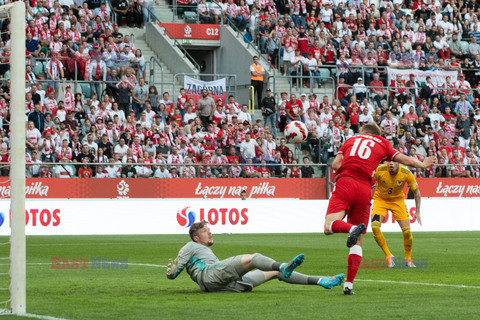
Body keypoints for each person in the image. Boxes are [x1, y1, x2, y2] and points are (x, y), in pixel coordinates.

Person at [323, 122, 435, 295]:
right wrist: (422, 164)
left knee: (329, 226)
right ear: (377, 133)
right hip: (365, 189)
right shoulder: (383, 143)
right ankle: (349, 285)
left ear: (363, 131)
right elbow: (404, 159)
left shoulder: (351, 139)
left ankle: (352, 228)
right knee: (358, 241)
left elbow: (336, 165)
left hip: (346, 182)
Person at [166, 220, 344, 293]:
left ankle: (321, 281)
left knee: (272, 274)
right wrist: (171, 272)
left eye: (209, 230)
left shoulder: (200, 249)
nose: (210, 233)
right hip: (210, 275)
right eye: (205, 231)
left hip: (223, 285)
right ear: (196, 237)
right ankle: (283, 265)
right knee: (253, 258)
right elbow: (174, 272)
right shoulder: (190, 245)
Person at [371, 161, 422, 269]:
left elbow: (417, 193)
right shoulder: (379, 170)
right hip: (380, 201)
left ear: (398, 163)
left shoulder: (406, 173)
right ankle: (389, 255)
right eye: (389, 161)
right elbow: (367, 182)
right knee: (375, 227)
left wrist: (417, 211)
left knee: (407, 231)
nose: (391, 164)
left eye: (394, 162)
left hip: (398, 202)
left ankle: (408, 259)